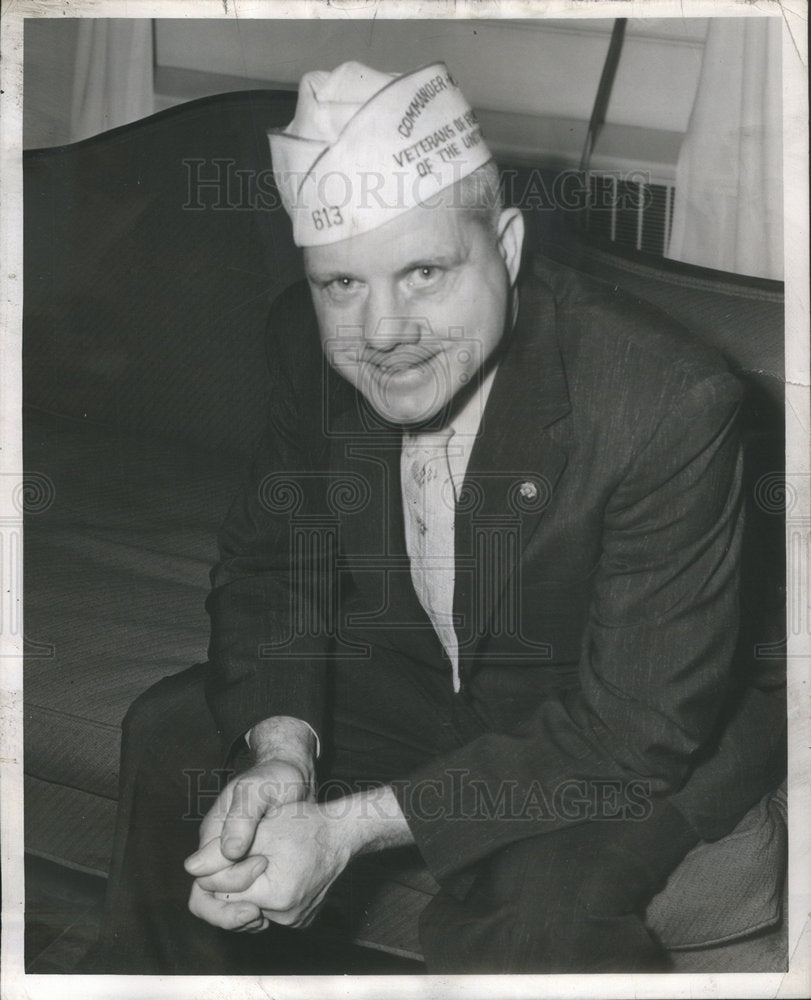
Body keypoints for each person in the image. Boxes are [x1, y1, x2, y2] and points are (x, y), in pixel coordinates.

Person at [94, 60, 785, 975]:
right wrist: (280, 754)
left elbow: (633, 728)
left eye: (422, 271)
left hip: (627, 713)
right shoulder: (303, 348)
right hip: (435, 669)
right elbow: (273, 573)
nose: (379, 331)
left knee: (541, 911)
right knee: (175, 727)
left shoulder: (664, 398)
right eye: (340, 285)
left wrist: (345, 829)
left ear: (504, 246)